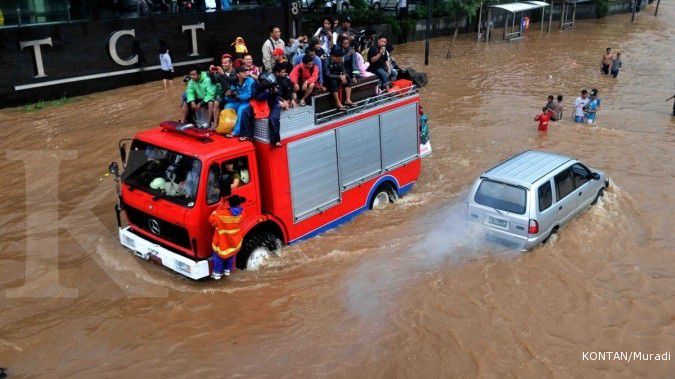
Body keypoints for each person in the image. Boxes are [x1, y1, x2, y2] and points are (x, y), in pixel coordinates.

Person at [209, 195, 246, 279]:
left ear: (229, 204)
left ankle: (217, 274)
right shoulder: (242, 213)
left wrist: (220, 207)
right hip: (234, 242)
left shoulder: (220, 214)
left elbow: (211, 219)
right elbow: (238, 212)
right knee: (231, 256)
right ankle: (227, 270)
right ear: (239, 204)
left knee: (218, 257)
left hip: (222, 242)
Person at [224, 66, 256, 138]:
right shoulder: (234, 83)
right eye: (243, 72)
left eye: (245, 72)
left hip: (248, 102)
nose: (245, 73)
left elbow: (249, 95)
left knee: (241, 109)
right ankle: (228, 127)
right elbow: (231, 96)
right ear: (238, 74)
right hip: (238, 102)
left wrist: (238, 96)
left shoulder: (250, 80)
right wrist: (227, 96)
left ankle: (236, 132)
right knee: (227, 106)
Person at [323, 47, 353, 111]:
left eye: (341, 59)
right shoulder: (326, 62)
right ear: (333, 57)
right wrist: (339, 77)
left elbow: (343, 70)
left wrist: (344, 76)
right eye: (339, 59)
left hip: (337, 76)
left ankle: (347, 99)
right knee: (333, 81)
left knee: (347, 77)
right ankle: (338, 103)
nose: (340, 60)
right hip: (328, 80)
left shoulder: (339, 61)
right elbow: (327, 75)